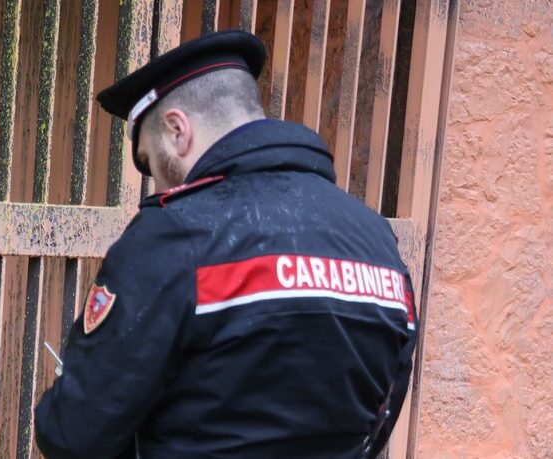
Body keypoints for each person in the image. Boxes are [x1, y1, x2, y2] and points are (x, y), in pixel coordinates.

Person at [33, 30, 417, 458]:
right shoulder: (377, 239)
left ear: (178, 130)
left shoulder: (175, 235)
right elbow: (384, 408)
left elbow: (73, 435)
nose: (155, 181)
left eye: (148, 160)